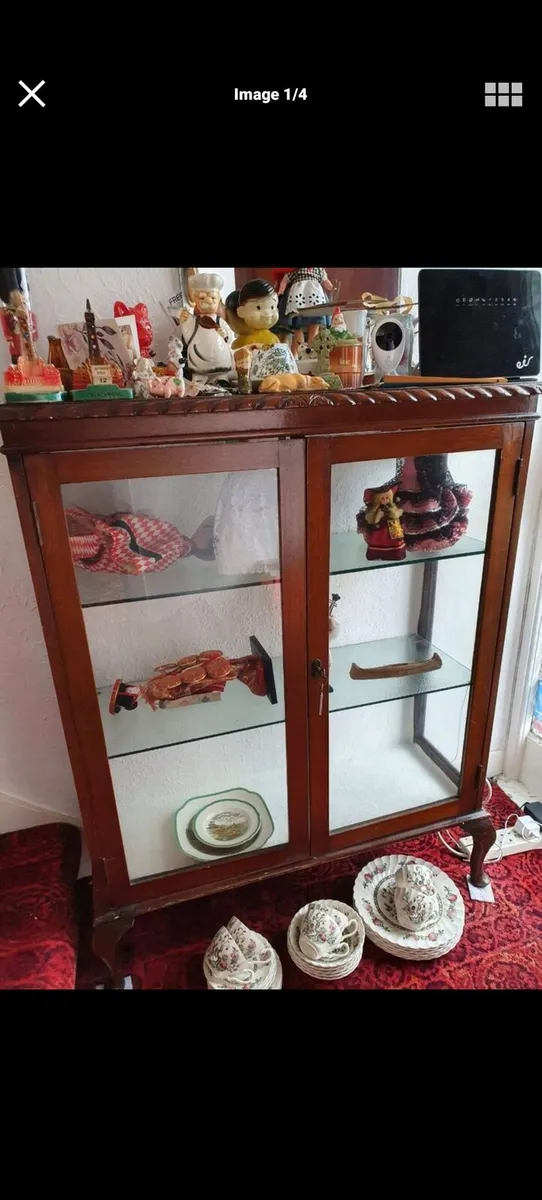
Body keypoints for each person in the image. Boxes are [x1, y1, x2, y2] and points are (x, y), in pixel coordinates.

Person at [177, 272, 234, 384]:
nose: (208, 301)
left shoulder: (219, 321)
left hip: (220, 358)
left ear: (219, 299)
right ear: (196, 300)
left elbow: (229, 337)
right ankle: (198, 380)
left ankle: (222, 379)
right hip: (198, 359)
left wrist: (225, 333)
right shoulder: (194, 321)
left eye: (213, 297)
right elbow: (188, 337)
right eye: (202, 298)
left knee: (221, 376)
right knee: (198, 376)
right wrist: (184, 321)